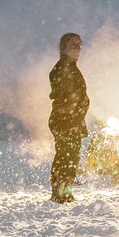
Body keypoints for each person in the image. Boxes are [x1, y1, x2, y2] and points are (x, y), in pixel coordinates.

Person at [48, 32, 89, 203]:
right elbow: (63, 97)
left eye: (79, 45)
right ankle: (62, 193)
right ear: (64, 48)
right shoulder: (63, 68)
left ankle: (63, 192)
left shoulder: (70, 67)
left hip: (70, 121)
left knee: (69, 155)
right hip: (66, 121)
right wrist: (71, 118)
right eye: (73, 45)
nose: (78, 49)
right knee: (67, 156)